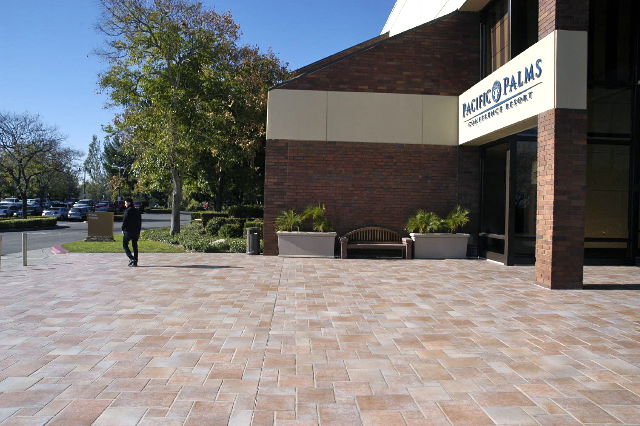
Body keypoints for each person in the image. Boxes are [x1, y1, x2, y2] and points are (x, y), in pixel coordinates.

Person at [122, 197, 142, 266]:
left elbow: (125, 221)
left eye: (125, 203)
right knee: (135, 246)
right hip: (136, 231)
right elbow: (139, 222)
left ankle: (132, 258)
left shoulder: (127, 210)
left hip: (128, 231)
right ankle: (135, 262)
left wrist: (122, 229)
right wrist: (139, 231)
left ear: (128, 203)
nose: (125, 204)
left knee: (125, 245)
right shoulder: (137, 211)